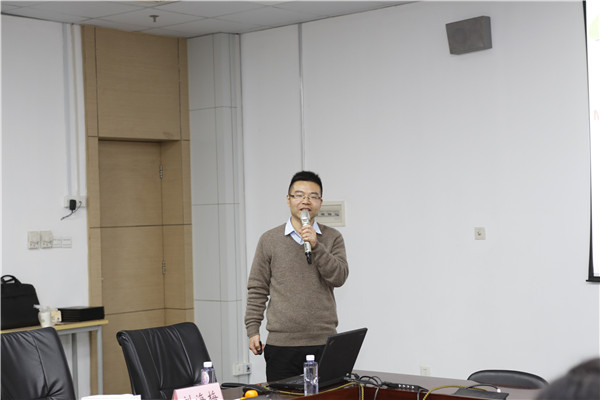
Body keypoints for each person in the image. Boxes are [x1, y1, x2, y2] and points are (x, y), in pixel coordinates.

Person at [244, 170, 349, 382]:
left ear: (320, 202)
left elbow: (339, 277)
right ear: (289, 199)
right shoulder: (269, 239)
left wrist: (316, 246)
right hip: (282, 345)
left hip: (323, 342)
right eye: (299, 195)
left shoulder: (332, 237)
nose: (306, 201)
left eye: (313, 196)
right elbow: (257, 288)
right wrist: (253, 329)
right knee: (282, 396)